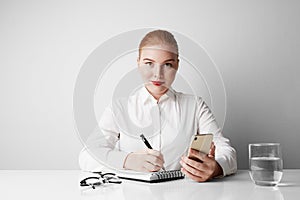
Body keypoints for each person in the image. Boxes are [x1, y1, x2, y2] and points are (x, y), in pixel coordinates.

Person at [79, 30, 237, 182]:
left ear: (177, 65)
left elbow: (227, 151)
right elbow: (86, 156)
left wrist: (215, 168)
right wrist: (127, 160)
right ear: (138, 63)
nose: (158, 74)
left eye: (167, 64)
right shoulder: (119, 108)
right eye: (149, 63)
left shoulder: (195, 105)